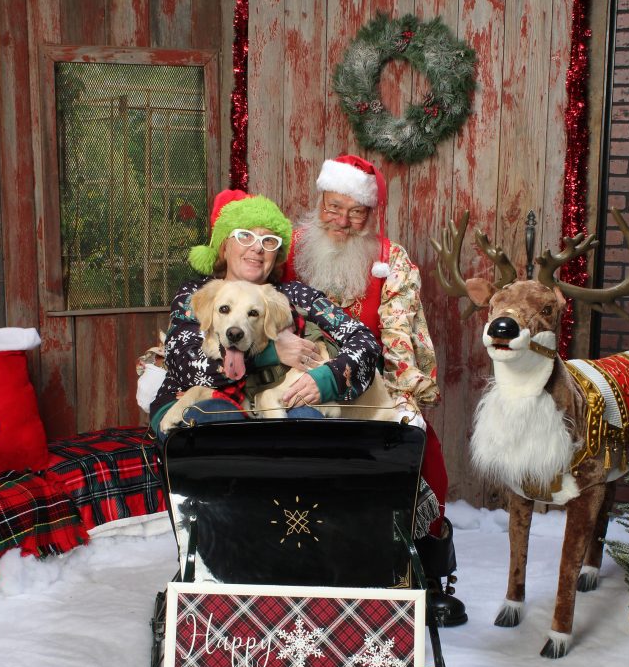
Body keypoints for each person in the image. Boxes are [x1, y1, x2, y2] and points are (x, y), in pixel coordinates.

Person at [283, 154, 466, 627]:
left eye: (355, 211)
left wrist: (406, 393)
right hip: (288, 374)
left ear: (370, 214)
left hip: (371, 374)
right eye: (333, 206)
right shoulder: (288, 248)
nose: (342, 221)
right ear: (319, 200)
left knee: (418, 446)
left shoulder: (390, 261)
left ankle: (423, 563)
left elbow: (400, 333)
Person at [150, 189, 383, 437]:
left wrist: (327, 379)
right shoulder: (198, 292)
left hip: (275, 399)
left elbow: (365, 342)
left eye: (268, 241)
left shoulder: (296, 295)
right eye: (244, 236)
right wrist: (272, 352)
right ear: (224, 246)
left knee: (306, 419)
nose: (257, 248)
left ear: (277, 255)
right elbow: (182, 361)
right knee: (220, 418)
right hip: (192, 401)